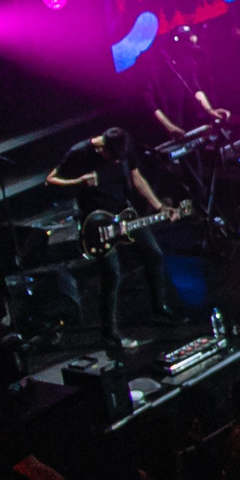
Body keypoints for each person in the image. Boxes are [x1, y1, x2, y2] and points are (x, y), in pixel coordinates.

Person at [44, 127, 174, 350]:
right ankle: (110, 334)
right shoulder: (80, 153)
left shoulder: (122, 146)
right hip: (96, 222)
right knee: (112, 275)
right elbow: (50, 180)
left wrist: (159, 206)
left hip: (125, 212)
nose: (115, 163)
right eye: (112, 158)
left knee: (154, 255)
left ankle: (159, 309)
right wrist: (79, 182)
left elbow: (136, 176)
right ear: (101, 148)